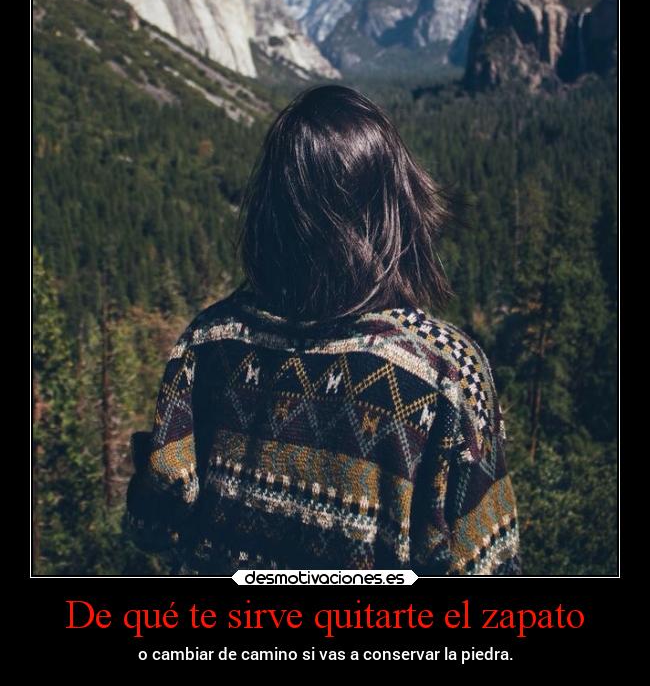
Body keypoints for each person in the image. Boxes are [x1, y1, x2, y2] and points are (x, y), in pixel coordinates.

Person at [124, 83, 522, 575]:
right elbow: (487, 563)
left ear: (274, 207)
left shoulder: (209, 342)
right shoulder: (443, 371)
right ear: (394, 205)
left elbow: (154, 527)